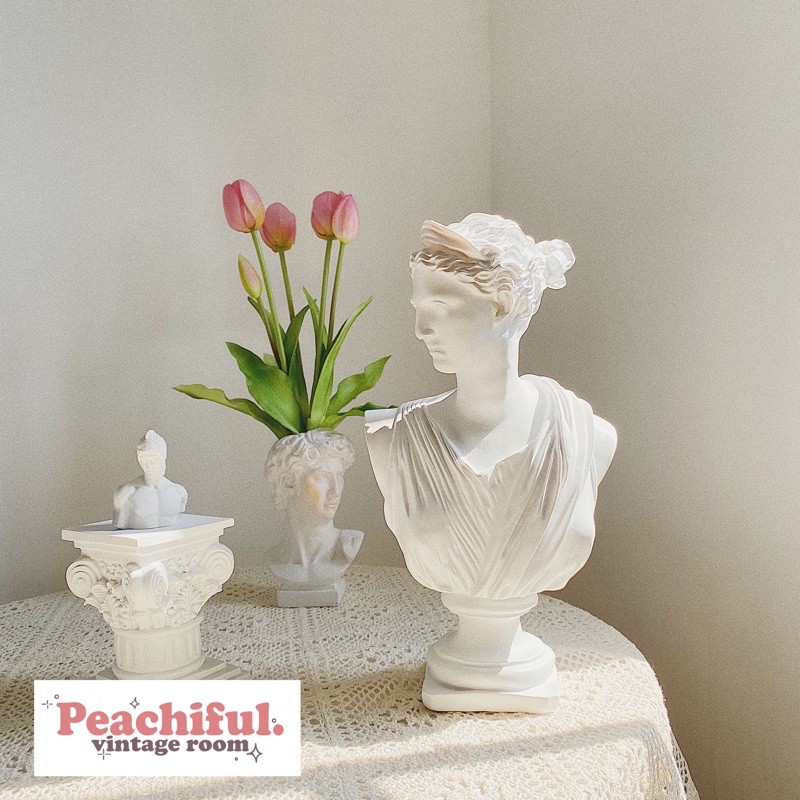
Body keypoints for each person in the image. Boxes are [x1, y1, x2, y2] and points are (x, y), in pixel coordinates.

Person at [365, 213, 617, 600]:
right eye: (418, 309)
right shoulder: (391, 437)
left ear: (501, 303)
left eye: (439, 306)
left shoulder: (587, 436)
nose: (421, 329)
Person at [265, 430, 363, 589]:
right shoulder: (277, 558)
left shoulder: (348, 546)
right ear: (288, 482)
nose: (336, 490)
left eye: (339, 477)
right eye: (322, 477)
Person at [112, 430, 188, 530]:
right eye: (143, 460)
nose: (147, 465)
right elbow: (119, 525)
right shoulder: (126, 492)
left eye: (153, 459)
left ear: (162, 459)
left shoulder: (179, 492)